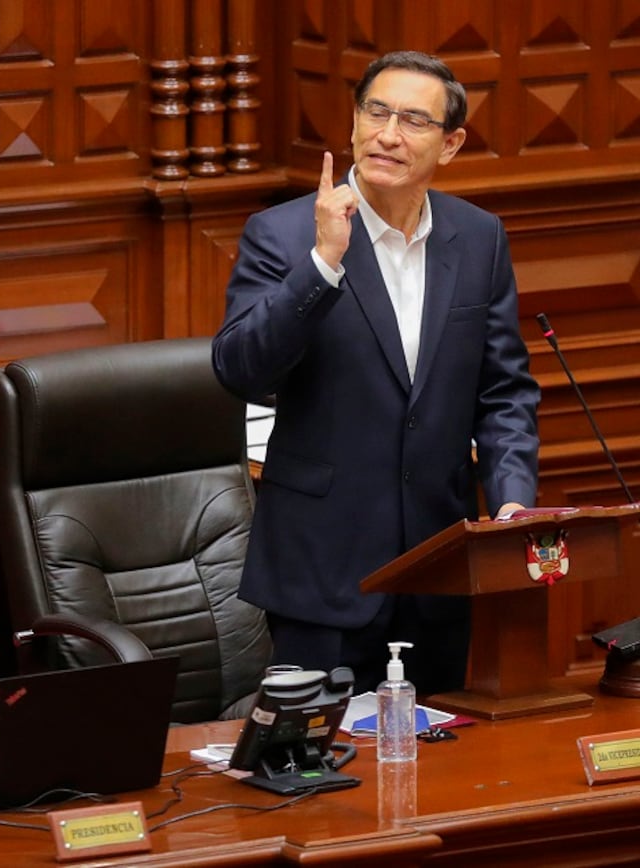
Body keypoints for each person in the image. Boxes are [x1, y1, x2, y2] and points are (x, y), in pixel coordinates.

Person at [212, 50, 540, 695]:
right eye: (376, 112)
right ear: (354, 122)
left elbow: (504, 390)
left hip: (440, 569)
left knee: (442, 749)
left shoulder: (478, 237)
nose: (388, 134)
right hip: (322, 571)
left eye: (414, 120)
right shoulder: (282, 234)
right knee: (317, 754)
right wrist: (322, 265)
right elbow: (241, 370)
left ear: (451, 144)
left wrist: (511, 502)